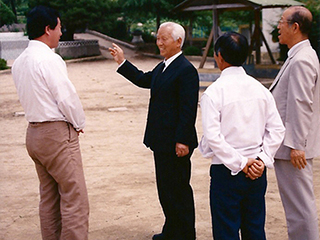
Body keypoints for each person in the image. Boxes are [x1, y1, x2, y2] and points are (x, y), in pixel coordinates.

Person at [109, 22, 199, 240]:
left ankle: (185, 234)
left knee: (178, 190)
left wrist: (183, 140)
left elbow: (188, 110)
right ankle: (172, 231)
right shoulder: (163, 66)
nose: (159, 43)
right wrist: (122, 62)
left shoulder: (186, 70)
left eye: (164, 39)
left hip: (176, 143)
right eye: (158, 38)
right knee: (166, 191)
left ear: (178, 41)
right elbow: (142, 79)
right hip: (160, 141)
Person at [11, 6, 89, 240]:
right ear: (48, 29)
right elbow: (66, 98)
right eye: (59, 27)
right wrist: (79, 122)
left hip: (34, 134)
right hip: (56, 134)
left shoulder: (20, 61)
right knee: (75, 199)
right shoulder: (49, 59)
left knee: (49, 197)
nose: (61, 33)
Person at [199, 31, 285, 240]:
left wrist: (241, 163)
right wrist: (261, 160)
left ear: (218, 55)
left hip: (226, 171)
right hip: (256, 170)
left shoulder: (214, 92)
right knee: (254, 228)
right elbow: (277, 129)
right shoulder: (261, 90)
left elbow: (213, 137)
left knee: (226, 230)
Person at [269, 6, 320, 240]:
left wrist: (296, 144)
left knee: (300, 207)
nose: (278, 26)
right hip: (291, 146)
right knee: (297, 207)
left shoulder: (301, 59)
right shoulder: (299, 55)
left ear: (295, 27)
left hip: (293, 148)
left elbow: (301, 103)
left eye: (282, 22)